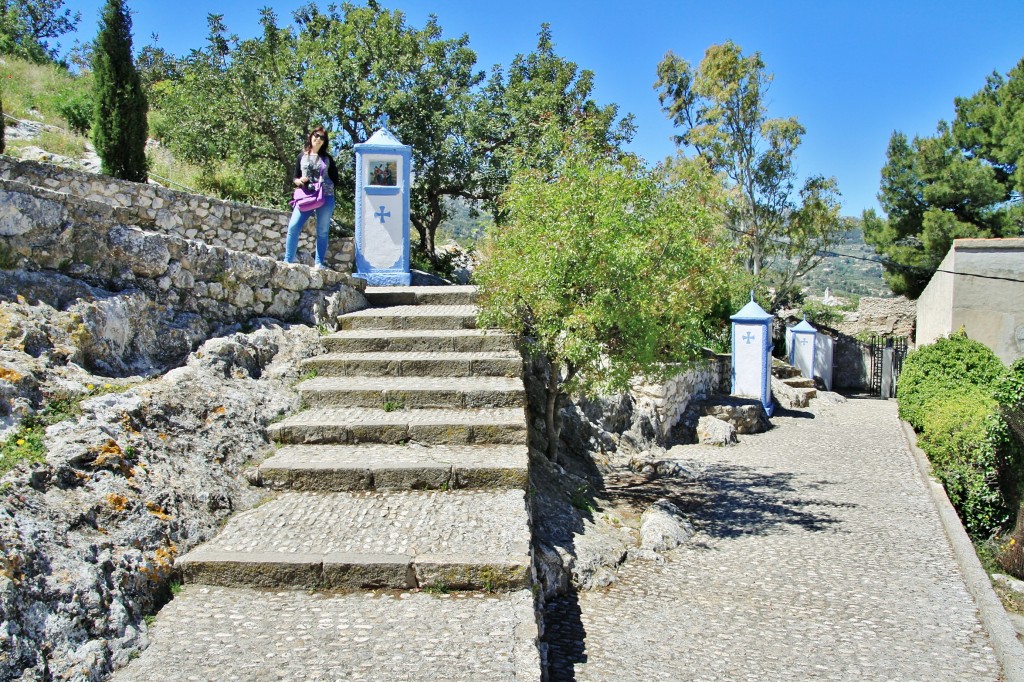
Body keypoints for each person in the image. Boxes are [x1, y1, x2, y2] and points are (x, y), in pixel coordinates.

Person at [284, 125, 339, 268]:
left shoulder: (327, 159)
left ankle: (319, 263)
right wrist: (298, 181)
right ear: (311, 136)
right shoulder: (301, 156)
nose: (318, 139)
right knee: (293, 226)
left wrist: (324, 186)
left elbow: (335, 179)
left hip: (325, 197)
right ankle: (288, 260)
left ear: (324, 141)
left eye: (322, 137)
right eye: (316, 135)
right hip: (306, 196)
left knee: (323, 230)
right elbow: (295, 176)